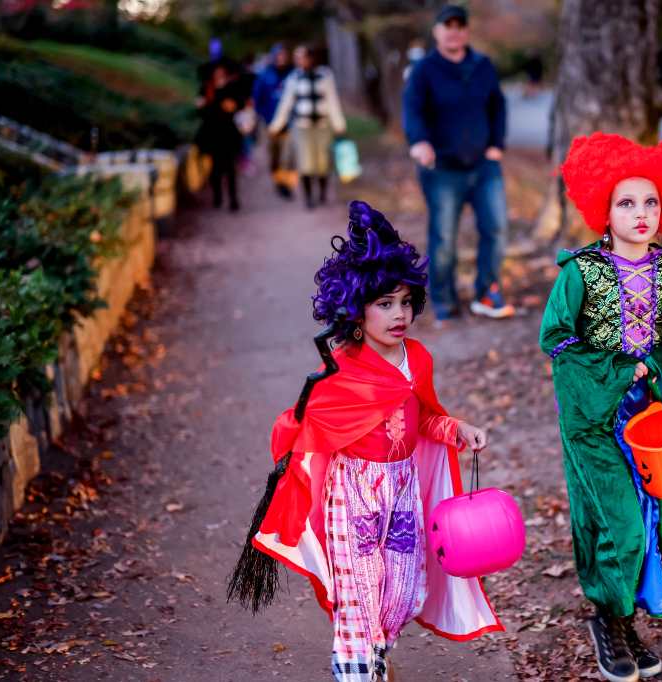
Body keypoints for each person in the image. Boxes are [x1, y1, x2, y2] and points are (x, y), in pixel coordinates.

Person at [249, 201, 502, 681]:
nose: (398, 313)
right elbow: (311, 425)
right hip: (352, 491)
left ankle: (376, 653)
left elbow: (425, 416)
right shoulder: (342, 367)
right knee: (359, 592)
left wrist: (457, 429)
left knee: (403, 590)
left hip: (402, 487)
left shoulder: (418, 360)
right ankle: (357, 667)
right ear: (356, 309)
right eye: (384, 304)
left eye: (406, 302)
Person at [541, 133, 662, 682]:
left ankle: (623, 619)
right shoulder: (580, 272)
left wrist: (658, 363)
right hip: (594, 415)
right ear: (603, 212)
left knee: (648, 514)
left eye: (651, 202)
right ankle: (606, 619)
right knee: (615, 518)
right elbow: (557, 338)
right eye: (626, 202)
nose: (641, 214)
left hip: (650, 416)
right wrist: (619, 369)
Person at [402, 4, 514, 321]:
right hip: (442, 169)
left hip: (484, 164)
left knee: (496, 228)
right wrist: (419, 142)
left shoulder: (482, 65)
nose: (454, 31)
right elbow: (412, 109)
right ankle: (443, 302)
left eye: (459, 25)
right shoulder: (424, 69)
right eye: (447, 25)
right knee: (444, 238)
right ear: (437, 31)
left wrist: (496, 144)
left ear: (466, 31)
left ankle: (486, 294)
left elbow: (498, 106)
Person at [270, 45, 347, 209]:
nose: (300, 61)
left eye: (303, 57)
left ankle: (322, 194)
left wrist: (339, 124)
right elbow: (286, 104)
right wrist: (276, 125)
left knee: (322, 162)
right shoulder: (293, 78)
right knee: (305, 162)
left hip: (322, 125)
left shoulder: (325, 75)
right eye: (297, 57)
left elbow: (332, 101)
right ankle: (308, 197)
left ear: (311, 58)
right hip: (302, 127)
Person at [195, 63, 246, 211]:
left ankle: (233, 199)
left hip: (228, 133)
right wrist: (202, 106)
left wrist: (234, 105)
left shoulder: (232, 87)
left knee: (230, 168)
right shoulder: (207, 88)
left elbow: (240, 105)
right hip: (212, 133)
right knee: (216, 169)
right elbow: (200, 111)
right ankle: (217, 196)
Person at [253, 43, 297, 198]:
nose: (281, 59)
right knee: (275, 155)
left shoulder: (293, 74)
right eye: (278, 55)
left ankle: (288, 184)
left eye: (284, 55)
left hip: (290, 123)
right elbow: (257, 100)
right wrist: (265, 117)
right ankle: (278, 182)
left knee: (290, 155)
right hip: (270, 124)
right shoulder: (265, 75)